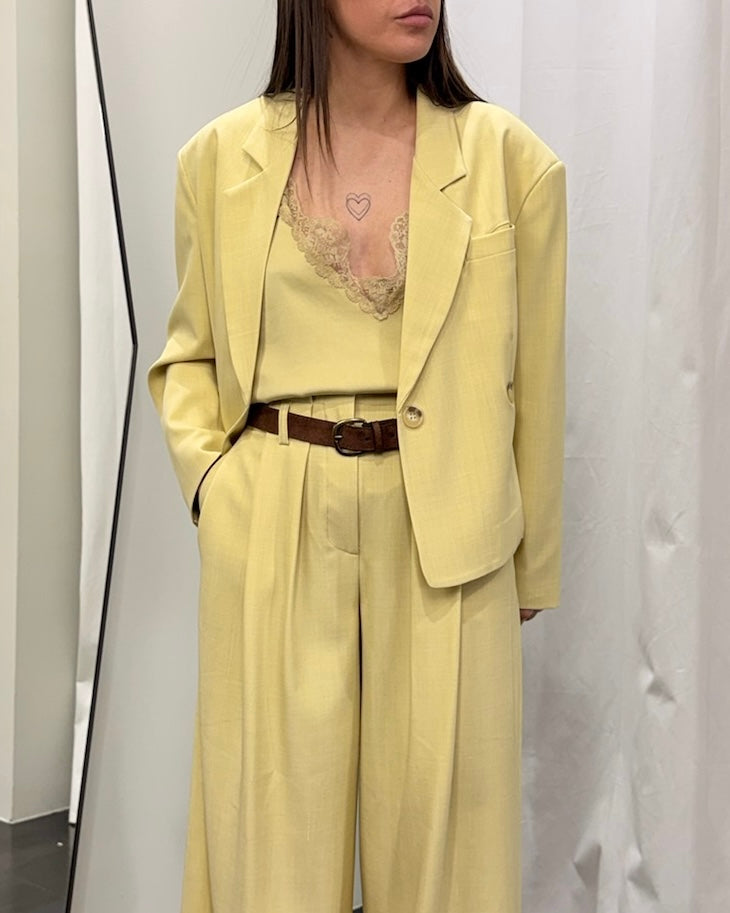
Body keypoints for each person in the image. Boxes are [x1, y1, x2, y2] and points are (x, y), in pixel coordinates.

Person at [147, 1, 567, 910]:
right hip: (274, 517)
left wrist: (531, 563)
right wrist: (218, 493)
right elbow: (188, 358)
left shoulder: (511, 160)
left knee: (450, 856)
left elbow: (537, 382)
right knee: (272, 844)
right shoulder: (217, 160)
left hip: (451, 531)